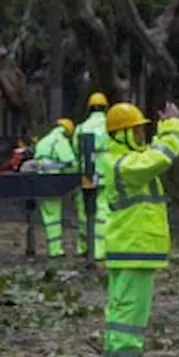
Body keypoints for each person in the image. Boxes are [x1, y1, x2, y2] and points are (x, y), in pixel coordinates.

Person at [100, 100, 179, 357]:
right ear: (122, 133)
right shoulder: (124, 163)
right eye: (135, 130)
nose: (141, 135)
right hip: (133, 246)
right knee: (131, 309)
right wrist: (173, 127)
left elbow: (152, 155)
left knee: (121, 305)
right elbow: (160, 158)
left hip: (129, 246)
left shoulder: (122, 159)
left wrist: (162, 130)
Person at [32, 117, 78, 258]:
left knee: (48, 215)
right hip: (52, 181)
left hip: (39, 179)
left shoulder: (44, 140)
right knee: (54, 216)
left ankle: (53, 248)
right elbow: (69, 161)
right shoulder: (60, 141)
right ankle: (55, 250)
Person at [76, 92, 111, 260]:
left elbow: (76, 151)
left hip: (87, 174)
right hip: (106, 173)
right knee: (103, 209)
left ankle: (84, 246)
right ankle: (100, 249)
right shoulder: (110, 125)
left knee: (85, 210)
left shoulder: (81, 127)